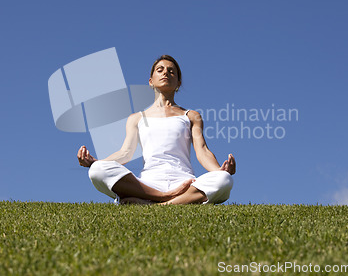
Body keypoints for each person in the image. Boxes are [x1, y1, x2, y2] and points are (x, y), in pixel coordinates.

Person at [77, 55, 236, 204]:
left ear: (178, 83)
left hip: (185, 182)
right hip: (147, 184)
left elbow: (202, 150)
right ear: (151, 81)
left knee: (224, 180)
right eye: (160, 70)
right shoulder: (137, 118)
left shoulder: (191, 116)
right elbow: (126, 152)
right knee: (97, 171)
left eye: (171, 71)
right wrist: (96, 162)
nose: (166, 72)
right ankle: (167, 198)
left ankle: (155, 205)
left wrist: (220, 171)